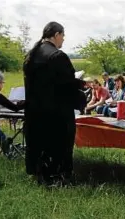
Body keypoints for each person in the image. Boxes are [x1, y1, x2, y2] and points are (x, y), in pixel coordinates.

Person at [23, 21, 86, 186]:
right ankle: (59, 178)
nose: (63, 40)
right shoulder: (58, 56)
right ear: (56, 35)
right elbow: (67, 85)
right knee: (59, 146)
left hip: (35, 112)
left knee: (39, 145)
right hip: (56, 113)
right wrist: (80, 87)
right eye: (63, 36)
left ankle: (40, 175)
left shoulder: (31, 55)